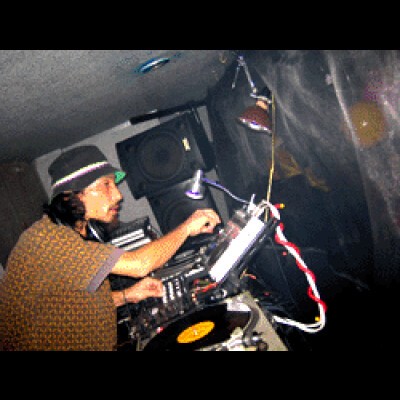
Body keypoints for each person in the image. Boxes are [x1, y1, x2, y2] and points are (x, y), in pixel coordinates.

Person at [0, 145, 221, 351]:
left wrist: (128, 295)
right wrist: (187, 227)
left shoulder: (67, 238)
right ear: (70, 196)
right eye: (106, 185)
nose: (118, 195)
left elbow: (69, 304)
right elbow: (140, 265)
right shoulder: (48, 240)